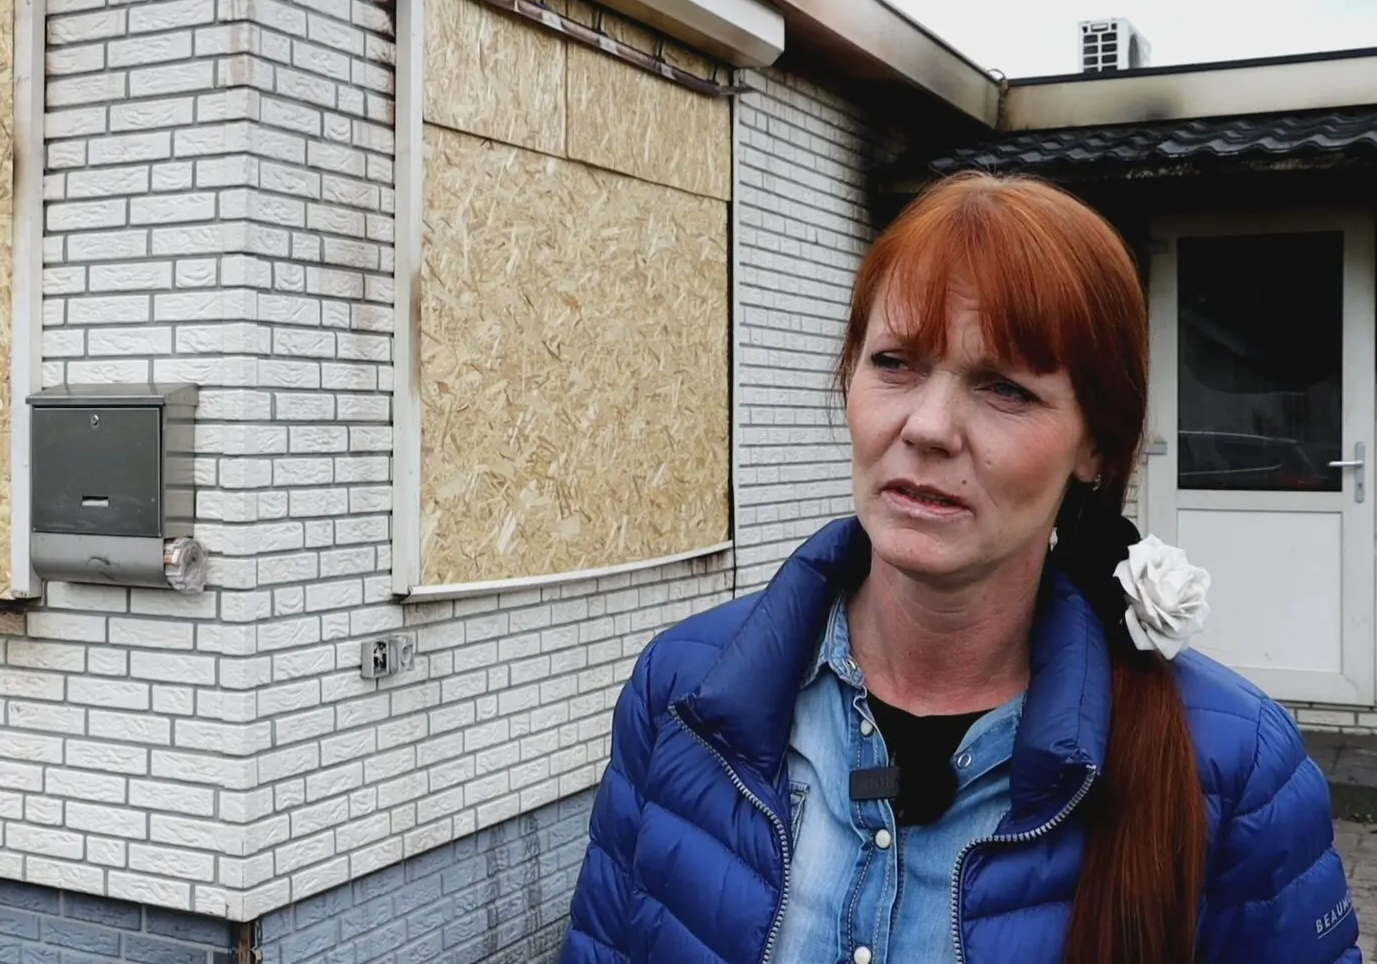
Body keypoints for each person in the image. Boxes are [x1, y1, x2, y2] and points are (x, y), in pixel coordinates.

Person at [558, 171, 1359, 964]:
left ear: (1096, 446)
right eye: (895, 363)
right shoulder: (682, 695)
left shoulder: (1233, 767)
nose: (930, 427)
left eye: (1004, 387)